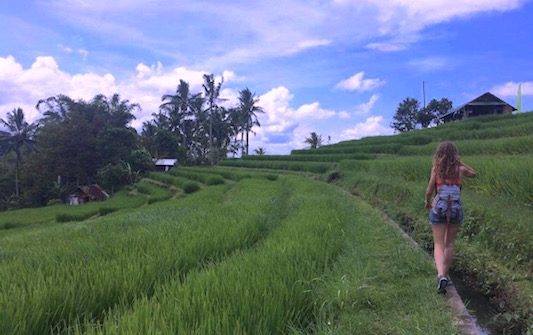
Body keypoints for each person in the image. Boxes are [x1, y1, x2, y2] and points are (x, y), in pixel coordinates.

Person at [424, 141, 476, 294]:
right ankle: (445, 276)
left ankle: (440, 276)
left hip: (438, 208)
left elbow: (429, 191)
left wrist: (427, 202)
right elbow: (474, 173)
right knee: (449, 244)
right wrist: (460, 162)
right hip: (455, 208)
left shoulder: (436, 169)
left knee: (438, 244)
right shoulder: (460, 169)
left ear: (439, 154)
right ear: (455, 154)